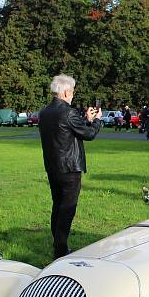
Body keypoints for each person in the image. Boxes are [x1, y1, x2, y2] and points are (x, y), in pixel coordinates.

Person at [39, 74, 102, 259]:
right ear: (66, 91)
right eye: (72, 91)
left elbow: (70, 130)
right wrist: (97, 120)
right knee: (68, 208)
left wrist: (87, 119)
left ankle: (58, 243)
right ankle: (61, 249)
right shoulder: (68, 111)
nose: (73, 95)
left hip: (52, 166)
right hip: (69, 167)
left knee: (57, 206)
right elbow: (88, 134)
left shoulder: (45, 112)